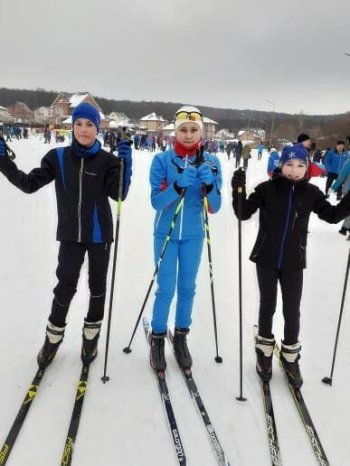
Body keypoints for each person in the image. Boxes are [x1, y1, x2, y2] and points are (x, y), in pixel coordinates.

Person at [0, 102, 132, 368]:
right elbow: (28, 184)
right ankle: (52, 339)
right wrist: (3, 161)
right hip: (71, 236)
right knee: (64, 288)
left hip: (99, 237)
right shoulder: (57, 158)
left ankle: (90, 338)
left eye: (90, 125)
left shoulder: (108, 161)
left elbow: (119, 194)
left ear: (97, 128)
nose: (84, 130)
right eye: (79, 124)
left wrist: (125, 164)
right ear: (72, 127)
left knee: (97, 288)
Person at [231, 143, 350, 388]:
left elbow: (333, 215)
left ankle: (289, 356)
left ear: (306, 168)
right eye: (289, 165)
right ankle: (264, 352)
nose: (294, 170)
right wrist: (238, 189)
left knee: (292, 309)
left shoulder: (311, 194)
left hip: (294, 260)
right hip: (266, 257)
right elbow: (243, 213)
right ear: (281, 165)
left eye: (300, 166)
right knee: (268, 305)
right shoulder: (266, 189)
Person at [149, 105, 222, 371]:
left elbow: (215, 206)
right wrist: (178, 186)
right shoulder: (162, 161)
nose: (189, 135)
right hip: (166, 234)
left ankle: (181, 336)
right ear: (175, 132)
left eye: (193, 130)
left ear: (200, 133)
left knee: (188, 288)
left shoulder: (212, 162)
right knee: (166, 288)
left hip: (193, 235)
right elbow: (157, 201)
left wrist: (210, 186)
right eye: (183, 130)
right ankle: (157, 336)